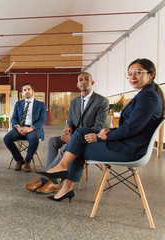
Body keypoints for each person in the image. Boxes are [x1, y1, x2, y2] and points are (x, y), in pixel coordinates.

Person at [39, 58, 164, 202]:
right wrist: (110, 130)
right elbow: (133, 125)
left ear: (151, 74)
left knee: (77, 147)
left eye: (138, 72)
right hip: (127, 142)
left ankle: (63, 178)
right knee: (77, 136)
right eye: (129, 74)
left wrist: (99, 137)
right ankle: (62, 177)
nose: (132, 77)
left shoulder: (148, 96)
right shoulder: (146, 94)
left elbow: (131, 129)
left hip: (131, 149)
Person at [25, 72, 109, 193]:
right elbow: (70, 119)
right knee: (52, 141)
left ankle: (48, 180)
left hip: (89, 140)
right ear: (77, 84)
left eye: (87, 79)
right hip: (75, 136)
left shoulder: (102, 101)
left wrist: (75, 138)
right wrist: (69, 126)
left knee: (65, 147)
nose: (83, 82)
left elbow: (98, 127)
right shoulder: (74, 101)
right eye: (81, 80)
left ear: (92, 83)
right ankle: (52, 180)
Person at [3, 83, 47, 172]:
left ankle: (27, 162)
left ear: (33, 91)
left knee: (34, 138)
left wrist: (30, 128)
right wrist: (19, 128)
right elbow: (14, 118)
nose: (27, 91)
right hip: (20, 128)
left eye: (28, 89)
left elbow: (42, 120)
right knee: (6, 138)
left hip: (33, 129)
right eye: (24, 90)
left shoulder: (41, 105)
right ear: (22, 93)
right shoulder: (18, 104)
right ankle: (19, 160)